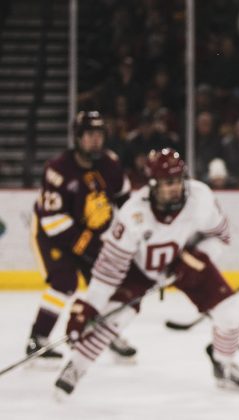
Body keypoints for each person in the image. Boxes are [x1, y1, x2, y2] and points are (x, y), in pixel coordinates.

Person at [54, 148, 239, 397]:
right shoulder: (133, 215)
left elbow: (221, 235)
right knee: (115, 317)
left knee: (231, 315)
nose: (175, 187)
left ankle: (224, 365)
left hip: (184, 261)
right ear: (153, 184)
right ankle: (76, 366)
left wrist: (197, 257)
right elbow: (109, 271)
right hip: (139, 270)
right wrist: (90, 307)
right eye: (167, 182)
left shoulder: (199, 197)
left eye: (178, 180)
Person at [26, 110, 136, 364]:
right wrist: (89, 245)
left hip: (90, 236)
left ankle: (108, 333)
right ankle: (37, 338)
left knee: (106, 284)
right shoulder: (58, 169)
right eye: (89, 135)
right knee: (65, 282)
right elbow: (53, 220)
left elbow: (127, 203)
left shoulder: (110, 164)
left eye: (99, 134)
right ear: (77, 137)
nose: (95, 140)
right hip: (51, 234)